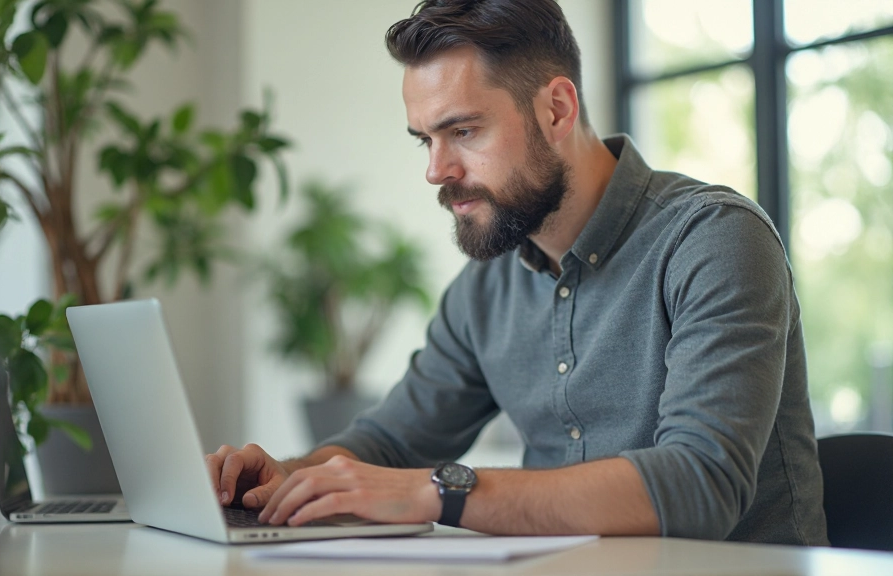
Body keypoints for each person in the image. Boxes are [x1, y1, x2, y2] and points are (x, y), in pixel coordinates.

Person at [207, 0, 828, 544]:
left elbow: (701, 483)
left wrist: (440, 491)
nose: (436, 169)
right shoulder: (486, 289)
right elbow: (389, 445)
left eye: (464, 131)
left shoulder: (712, 239)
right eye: (425, 139)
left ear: (557, 109)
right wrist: (290, 479)